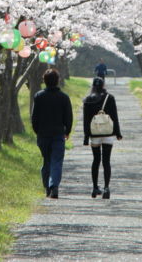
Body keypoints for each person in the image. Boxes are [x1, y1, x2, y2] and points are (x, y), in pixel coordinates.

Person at [31, 68, 73, 199]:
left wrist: (37, 131)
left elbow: (34, 117)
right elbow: (68, 117)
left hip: (43, 134)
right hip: (58, 134)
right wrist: (68, 131)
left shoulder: (39, 96)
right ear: (58, 81)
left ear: (44, 81)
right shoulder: (64, 97)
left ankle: (47, 187)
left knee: (47, 160)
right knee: (56, 160)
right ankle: (54, 186)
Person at [83, 77, 122, 199]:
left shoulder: (88, 99)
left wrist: (86, 137)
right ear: (103, 85)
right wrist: (118, 133)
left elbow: (86, 120)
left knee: (96, 160)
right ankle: (106, 188)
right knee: (106, 161)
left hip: (94, 134)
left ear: (93, 86)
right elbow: (114, 116)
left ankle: (95, 187)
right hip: (108, 133)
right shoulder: (109, 98)